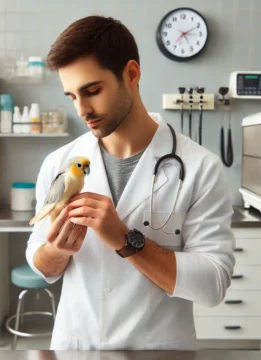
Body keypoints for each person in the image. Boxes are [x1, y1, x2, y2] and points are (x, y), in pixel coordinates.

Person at [26, 15, 235, 351]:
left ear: (131, 74)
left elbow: (213, 284)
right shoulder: (58, 164)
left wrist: (126, 240)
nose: (82, 109)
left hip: (158, 352)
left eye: (92, 90)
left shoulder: (200, 168)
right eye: (72, 96)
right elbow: (39, 261)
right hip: (77, 347)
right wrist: (57, 250)